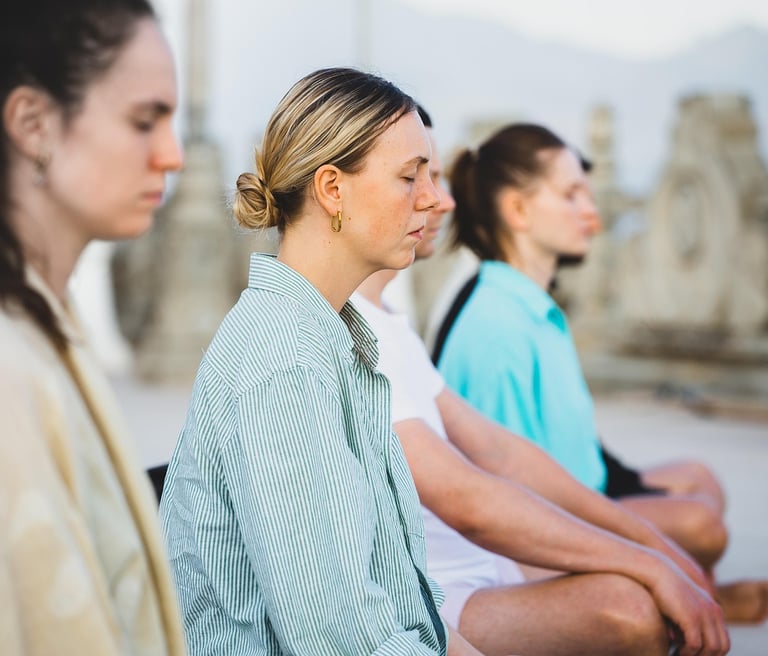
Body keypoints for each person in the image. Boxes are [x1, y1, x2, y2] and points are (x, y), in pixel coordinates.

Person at [353, 105, 730, 656]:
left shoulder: (387, 324)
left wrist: (651, 551)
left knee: (678, 528)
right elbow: (471, 496)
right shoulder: (377, 329)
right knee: (635, 605)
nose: (441, 199)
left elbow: (503, 455)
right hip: (431, 593)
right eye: (414, 177)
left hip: (474, 563)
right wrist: (644, 558)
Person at [159, 67, 484, 656]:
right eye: (410, 176)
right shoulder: (285, 366)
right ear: (332, 190)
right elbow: (337, 640)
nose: (433, 199)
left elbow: (406, 606)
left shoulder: (330, 340)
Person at [434, 122, 768, 623]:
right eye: (572, 195)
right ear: (518, 210)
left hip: (586, 487)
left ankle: (700, 594)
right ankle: (702, 602)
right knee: (701, 524)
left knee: (701, 478)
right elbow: (505, 486)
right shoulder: (494, 327)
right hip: (547, 518)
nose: (592, 214)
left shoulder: (529, 303)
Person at [0, 1, 186, 654]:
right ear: (33, 122)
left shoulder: (48, 325)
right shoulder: (10, 366)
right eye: (145, 121)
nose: (173, 156)